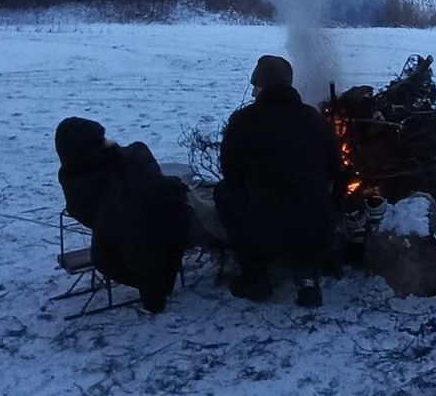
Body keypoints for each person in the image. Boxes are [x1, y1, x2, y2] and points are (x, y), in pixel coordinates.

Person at [214, 55, 341, 307]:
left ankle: (255, 276)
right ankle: (306, 274)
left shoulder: (242, 121)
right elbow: (334, 170)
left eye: (255, 85)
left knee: (222, 193)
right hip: (315, 226)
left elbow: (230, 172)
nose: (252, 92)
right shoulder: (314, 119)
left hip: (261, 227)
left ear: (263, 86)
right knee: (309, 201)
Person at [55, 117, 190, 314]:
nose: (105, 141)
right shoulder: (93, 172)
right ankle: (155, 284)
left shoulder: (96, 170)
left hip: (146, 232)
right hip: (161, 226)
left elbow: (84, 212)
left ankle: (154, 287)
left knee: (118, 248)